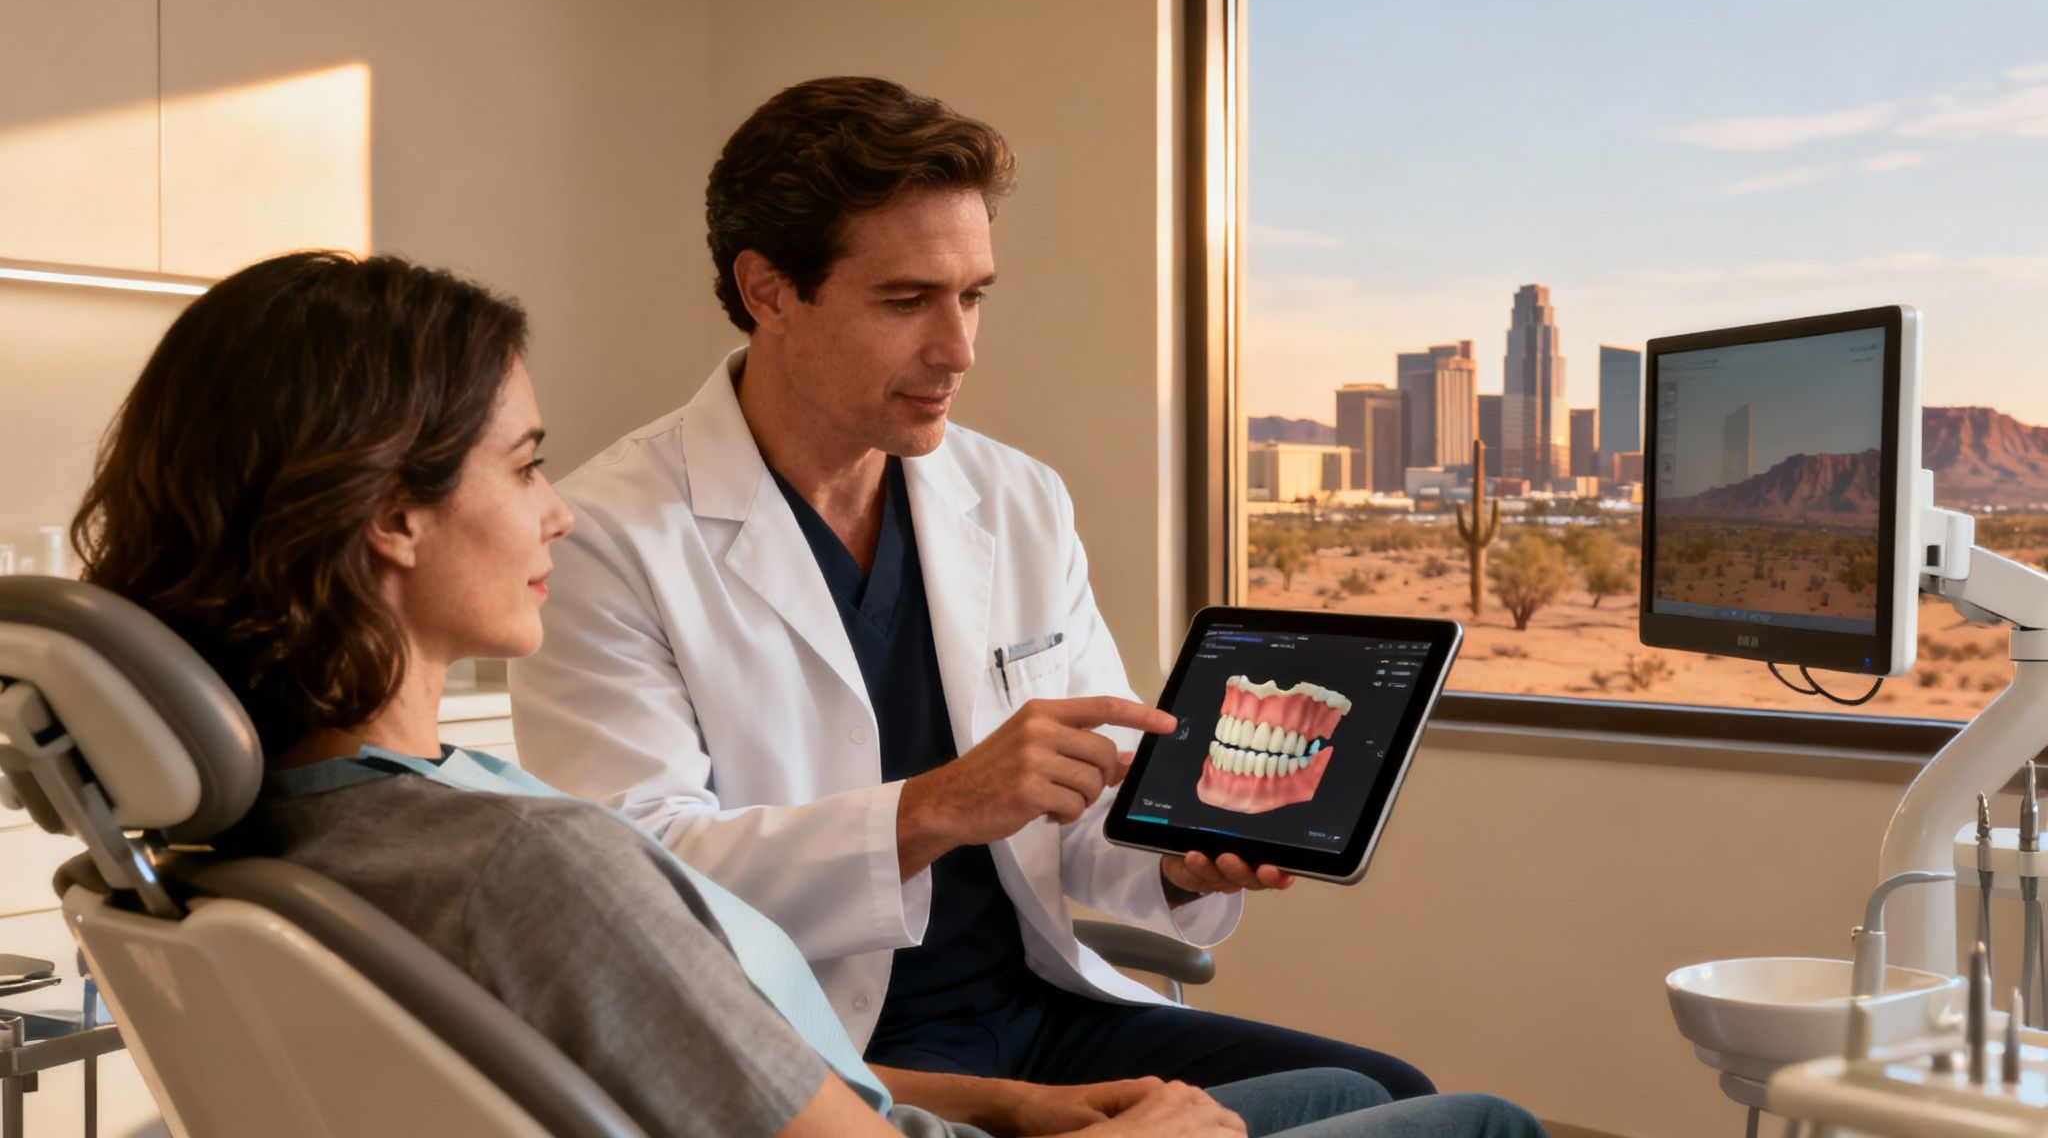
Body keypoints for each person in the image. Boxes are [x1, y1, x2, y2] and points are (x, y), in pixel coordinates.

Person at [71, 251, 1544, 1138]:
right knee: (1471, 1122)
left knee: (1364, 1088)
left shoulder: (297, 845)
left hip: (914, 1070)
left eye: (974, 294)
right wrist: (939, 806)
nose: (556, 513)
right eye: (523, 467)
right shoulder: (534, 850)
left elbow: (669, 1042)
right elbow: (649, 933)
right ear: (391, 516)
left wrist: (1035, 1073)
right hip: (859, 1058)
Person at [510, 75, 1429, 1098]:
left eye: (972, 295)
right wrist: (937, 806)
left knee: (1393, 1089)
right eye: (905, 302)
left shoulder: (1016, 498)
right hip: (827, 1054)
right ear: (768, 290)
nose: (958, 349)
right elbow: (644, 890)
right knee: (1355, 1112)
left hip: (1036, 1007)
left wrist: (1173, 861)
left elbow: (1080, 809)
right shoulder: (606, 537)